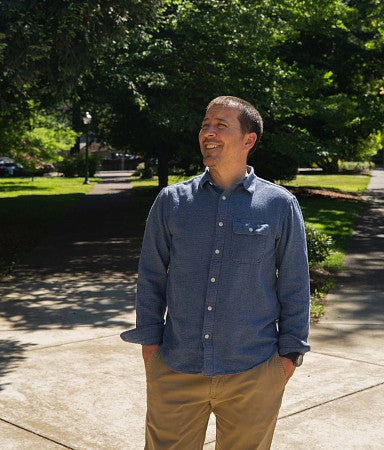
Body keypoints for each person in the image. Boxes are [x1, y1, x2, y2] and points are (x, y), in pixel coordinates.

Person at [121, 95, 311, 449]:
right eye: (205, 125)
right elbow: (150, 277)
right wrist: (151, 350)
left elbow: (296, 285)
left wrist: (288, 359)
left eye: (221, 126)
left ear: (248, 139)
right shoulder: (172, 201)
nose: (208, 132)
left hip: (253, 372)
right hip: (176, 368)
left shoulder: (280, 205)